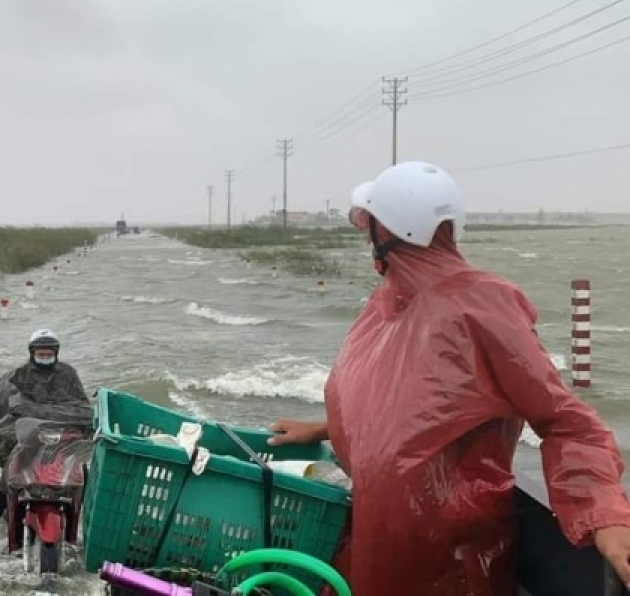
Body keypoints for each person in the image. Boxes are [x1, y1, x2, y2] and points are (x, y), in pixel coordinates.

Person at [267, 161, 630, 595]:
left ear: (387, 230)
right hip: (372, 541)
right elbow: (412, 408)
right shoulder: (388, 302)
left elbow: (563, 419)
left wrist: (602, 514)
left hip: (451, 559)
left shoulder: (480, 304)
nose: (366, 234)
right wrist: (324, 427)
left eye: (371, 222)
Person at [0, 328, 90, 544]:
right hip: (29, 440)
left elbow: (81, 405)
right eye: (40, 353)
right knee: (6, 482)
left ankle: (87, 531)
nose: (45, 357)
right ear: (32, 353)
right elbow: (11, 403)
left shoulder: (68, 375)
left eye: (48, 353)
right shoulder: (20, 376)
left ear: (56, 352)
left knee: (83, 475)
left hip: (61, 438)